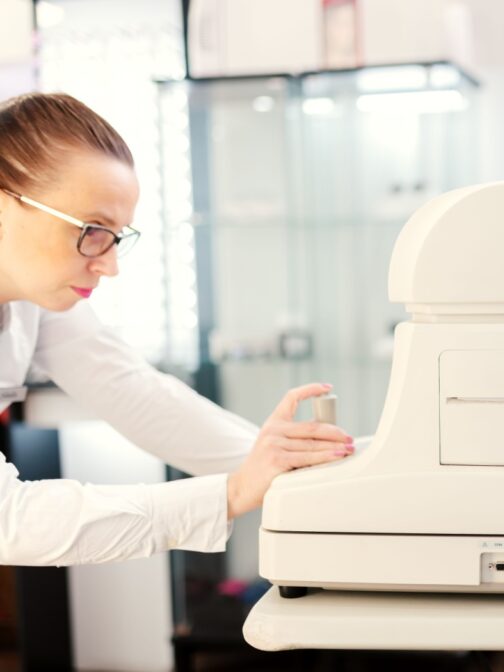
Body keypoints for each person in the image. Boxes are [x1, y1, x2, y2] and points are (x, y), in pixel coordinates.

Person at [0, 92, 353, 566]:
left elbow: (135, 393)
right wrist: (230, 493)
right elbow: (11, 523)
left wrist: (296, 467)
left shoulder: (36, 301)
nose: (108, 266)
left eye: (116, 237)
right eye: (91, 230)